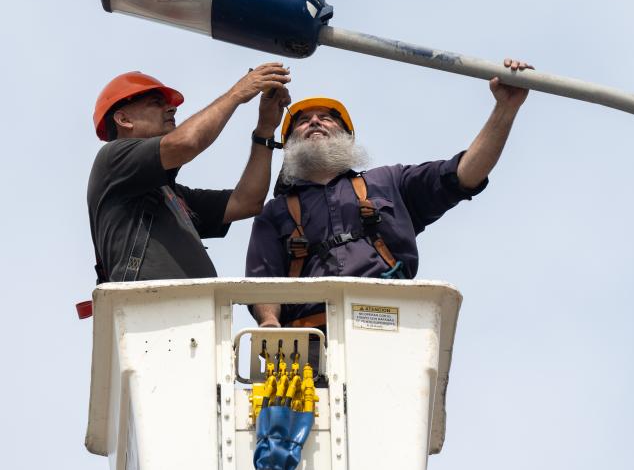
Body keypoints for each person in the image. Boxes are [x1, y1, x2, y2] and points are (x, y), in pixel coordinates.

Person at [246, 58, 532, 327]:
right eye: (303, 121)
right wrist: (270, 324)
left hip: (387, 327)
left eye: (326, 118)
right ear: (289, 144)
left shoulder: (390, 182)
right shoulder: (276, 212)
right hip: (312, 339)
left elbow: (464, 174)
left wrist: (505, 109)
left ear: (347, 138)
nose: (315, 122)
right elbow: (263, 283)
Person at [88, 63, 291, 282]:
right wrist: (237, 93)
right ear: (124, 120)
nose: (171, 109)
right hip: (145, 308)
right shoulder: (112, 159)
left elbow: (247, 202)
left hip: (191, 309)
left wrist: (265, 129)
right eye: (156, 103)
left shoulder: (170, 195)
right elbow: (186, 142)